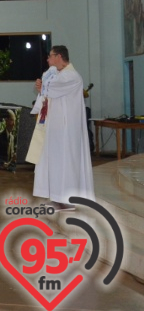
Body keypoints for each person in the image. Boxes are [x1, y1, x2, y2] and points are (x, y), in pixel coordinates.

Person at [33, 46, 95, 210]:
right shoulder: (58, 75)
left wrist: (43, 86)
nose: (48, 59)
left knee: (67, 162)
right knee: (55, 162)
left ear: (59, 56)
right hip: (55, 128)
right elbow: (48, 93)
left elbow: (53, 90)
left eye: (50, 56)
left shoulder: (71, 75)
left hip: (67, 129)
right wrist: (42, 88)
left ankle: (68, 200)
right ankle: (57, 196)